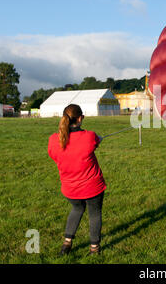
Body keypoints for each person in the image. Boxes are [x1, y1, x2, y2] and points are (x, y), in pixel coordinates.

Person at [48, 104, 106, 255]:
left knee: (77, 208)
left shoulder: (54, 140)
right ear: (80, 118)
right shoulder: (89, 136)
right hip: (92, 187)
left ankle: (66, 244)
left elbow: (55, 155)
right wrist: (97, 141)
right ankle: (94, 249)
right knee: (94, 214)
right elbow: (93, 143)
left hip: (69, 189)